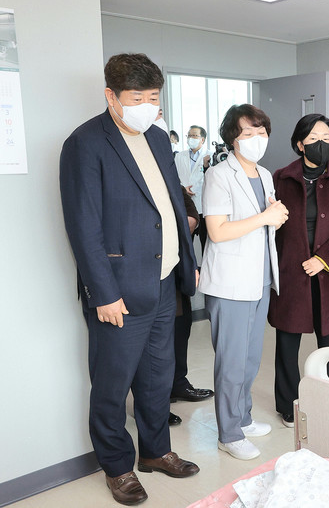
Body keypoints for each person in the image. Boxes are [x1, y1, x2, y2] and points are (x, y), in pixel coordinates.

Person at [59, 53, 200, 506]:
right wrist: (102, 292)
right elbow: (83, 225)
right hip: (118, 290)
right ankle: (117, 466)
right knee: (112, 383)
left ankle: (155, 451)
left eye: (153, 97)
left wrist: (186, 261)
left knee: (158, 376)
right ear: (111, 96)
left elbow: (171, 204)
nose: (147, 106)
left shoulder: (157, 137)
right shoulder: (85, 143)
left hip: (163, 281)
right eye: (137, 98)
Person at [198, 104, 288, 461]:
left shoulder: (264, 174)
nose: (256, 138)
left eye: (261, 132)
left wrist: (274, 218)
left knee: (250, 359)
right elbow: (217, 231)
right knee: (231, 362)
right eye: (247, 132)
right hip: (230, 283)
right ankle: (229, 433)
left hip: (260, 279)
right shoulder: (219, 175)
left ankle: (244, 417)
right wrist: (265, 217)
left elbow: (264, 222)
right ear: (232, 138)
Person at [269, 114, 329, 428]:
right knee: (287, 340)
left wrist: (325, 259)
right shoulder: (281, 178)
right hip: (291, 270)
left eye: (326, 138)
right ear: (299, 144)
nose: (320, 143)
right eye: (313, 138)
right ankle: (288, 404)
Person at [169, 186, 213, 427]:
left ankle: (178, 384)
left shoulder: (172, 182)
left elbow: (192, 218)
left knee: (181, 326)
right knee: (156, 339)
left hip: (176, 267)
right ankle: (156, 400)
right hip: (146, 270)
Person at [174, 125, 211, 250]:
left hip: (203, 206)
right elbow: (174, 178)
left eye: (194, 135)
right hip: (186, 206)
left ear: (202, 139)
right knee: (185, 244)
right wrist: (183, 189)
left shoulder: (209, 156)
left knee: (205, 244)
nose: (191, 138)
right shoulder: (179, 156)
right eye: (189, 136)